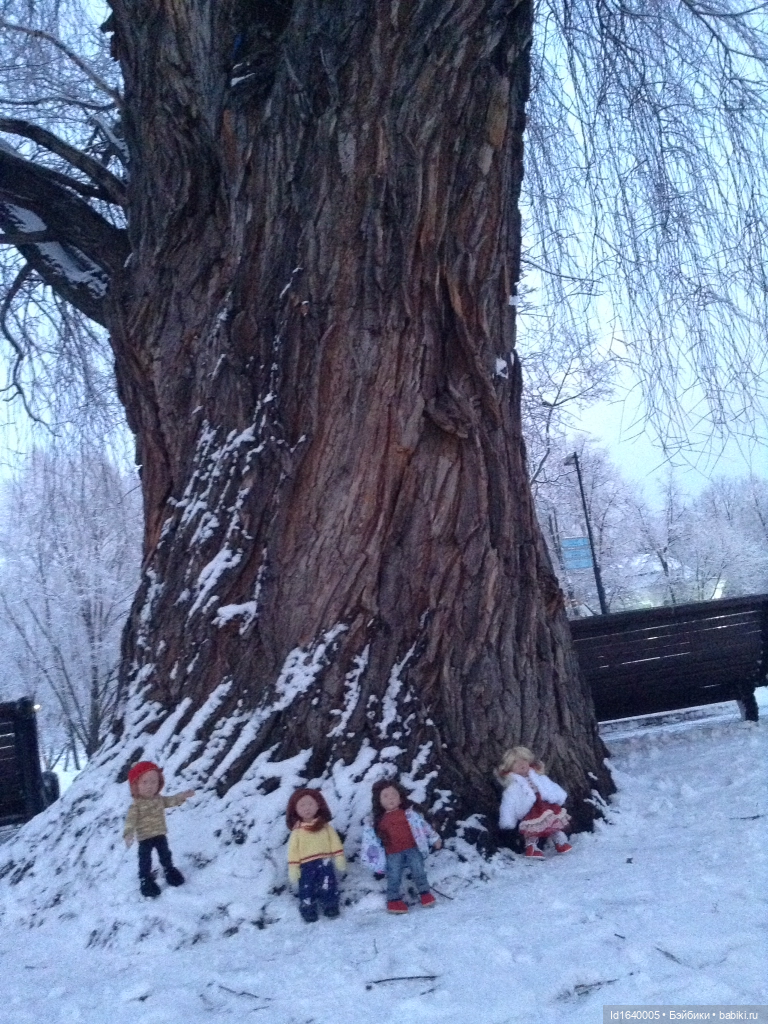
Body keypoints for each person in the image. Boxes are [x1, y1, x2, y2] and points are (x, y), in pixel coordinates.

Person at [361, 779, 441, 914]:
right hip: (393, 853)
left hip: (412, 849)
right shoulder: (377, 821)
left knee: (419, 870)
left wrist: (434, 838)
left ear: (400, 797)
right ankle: (393, 899)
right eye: (385, 796)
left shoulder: (409, 814)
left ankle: (425, 892)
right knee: (394, 875)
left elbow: (423, 826)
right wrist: (373, 859)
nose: (390, 799)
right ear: (378, 801)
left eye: (394, 795)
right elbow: (371, 840)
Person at [123, 761, 195, 897]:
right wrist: (128, 833)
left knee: (165, 854)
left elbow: (170, 801)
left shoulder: (159, 799)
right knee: (145, 859)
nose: (150, 786)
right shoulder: (136, 806)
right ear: (135, 785)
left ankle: (169, 870)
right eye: (145, 782)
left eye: (154, 782)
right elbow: (130, 821)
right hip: (145, 837)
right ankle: (145, 879)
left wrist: (182, 796)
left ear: (159, 784)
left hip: (160, 834)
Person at [496, 746, 572, 859]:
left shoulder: (539, 777)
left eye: (524, 760)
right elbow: (508, 803)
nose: (521, 764)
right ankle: (532, 847)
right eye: (516, 762)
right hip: (529, 810)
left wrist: (559, 796)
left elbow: (551, 787)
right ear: (509, 767)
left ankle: (560, 841)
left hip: (546, 806)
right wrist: (507, 821)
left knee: (553, 823)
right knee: (532, 831)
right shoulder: (513, 786)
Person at [286, 788, 346, 923]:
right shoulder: (297, 831)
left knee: (328, 883)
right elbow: (293, 850)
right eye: (302, 805)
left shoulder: (325, 827)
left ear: (318, 805)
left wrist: (339, 856)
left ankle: (330, 904)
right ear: (295, 809)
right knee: (306, 886)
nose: (307, 808)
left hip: (325, 861)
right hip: (306, 864)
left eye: (310, 804)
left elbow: (335, 841)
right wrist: (293, 867)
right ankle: (308, 907)